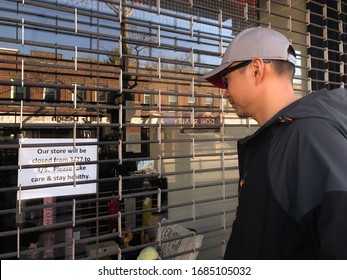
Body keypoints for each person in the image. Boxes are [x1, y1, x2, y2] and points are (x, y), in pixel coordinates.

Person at [203, 26, 347, 259]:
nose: (225, 93)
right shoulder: (284, 136)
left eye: (226, 79)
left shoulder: (307, 136)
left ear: (256, 70)